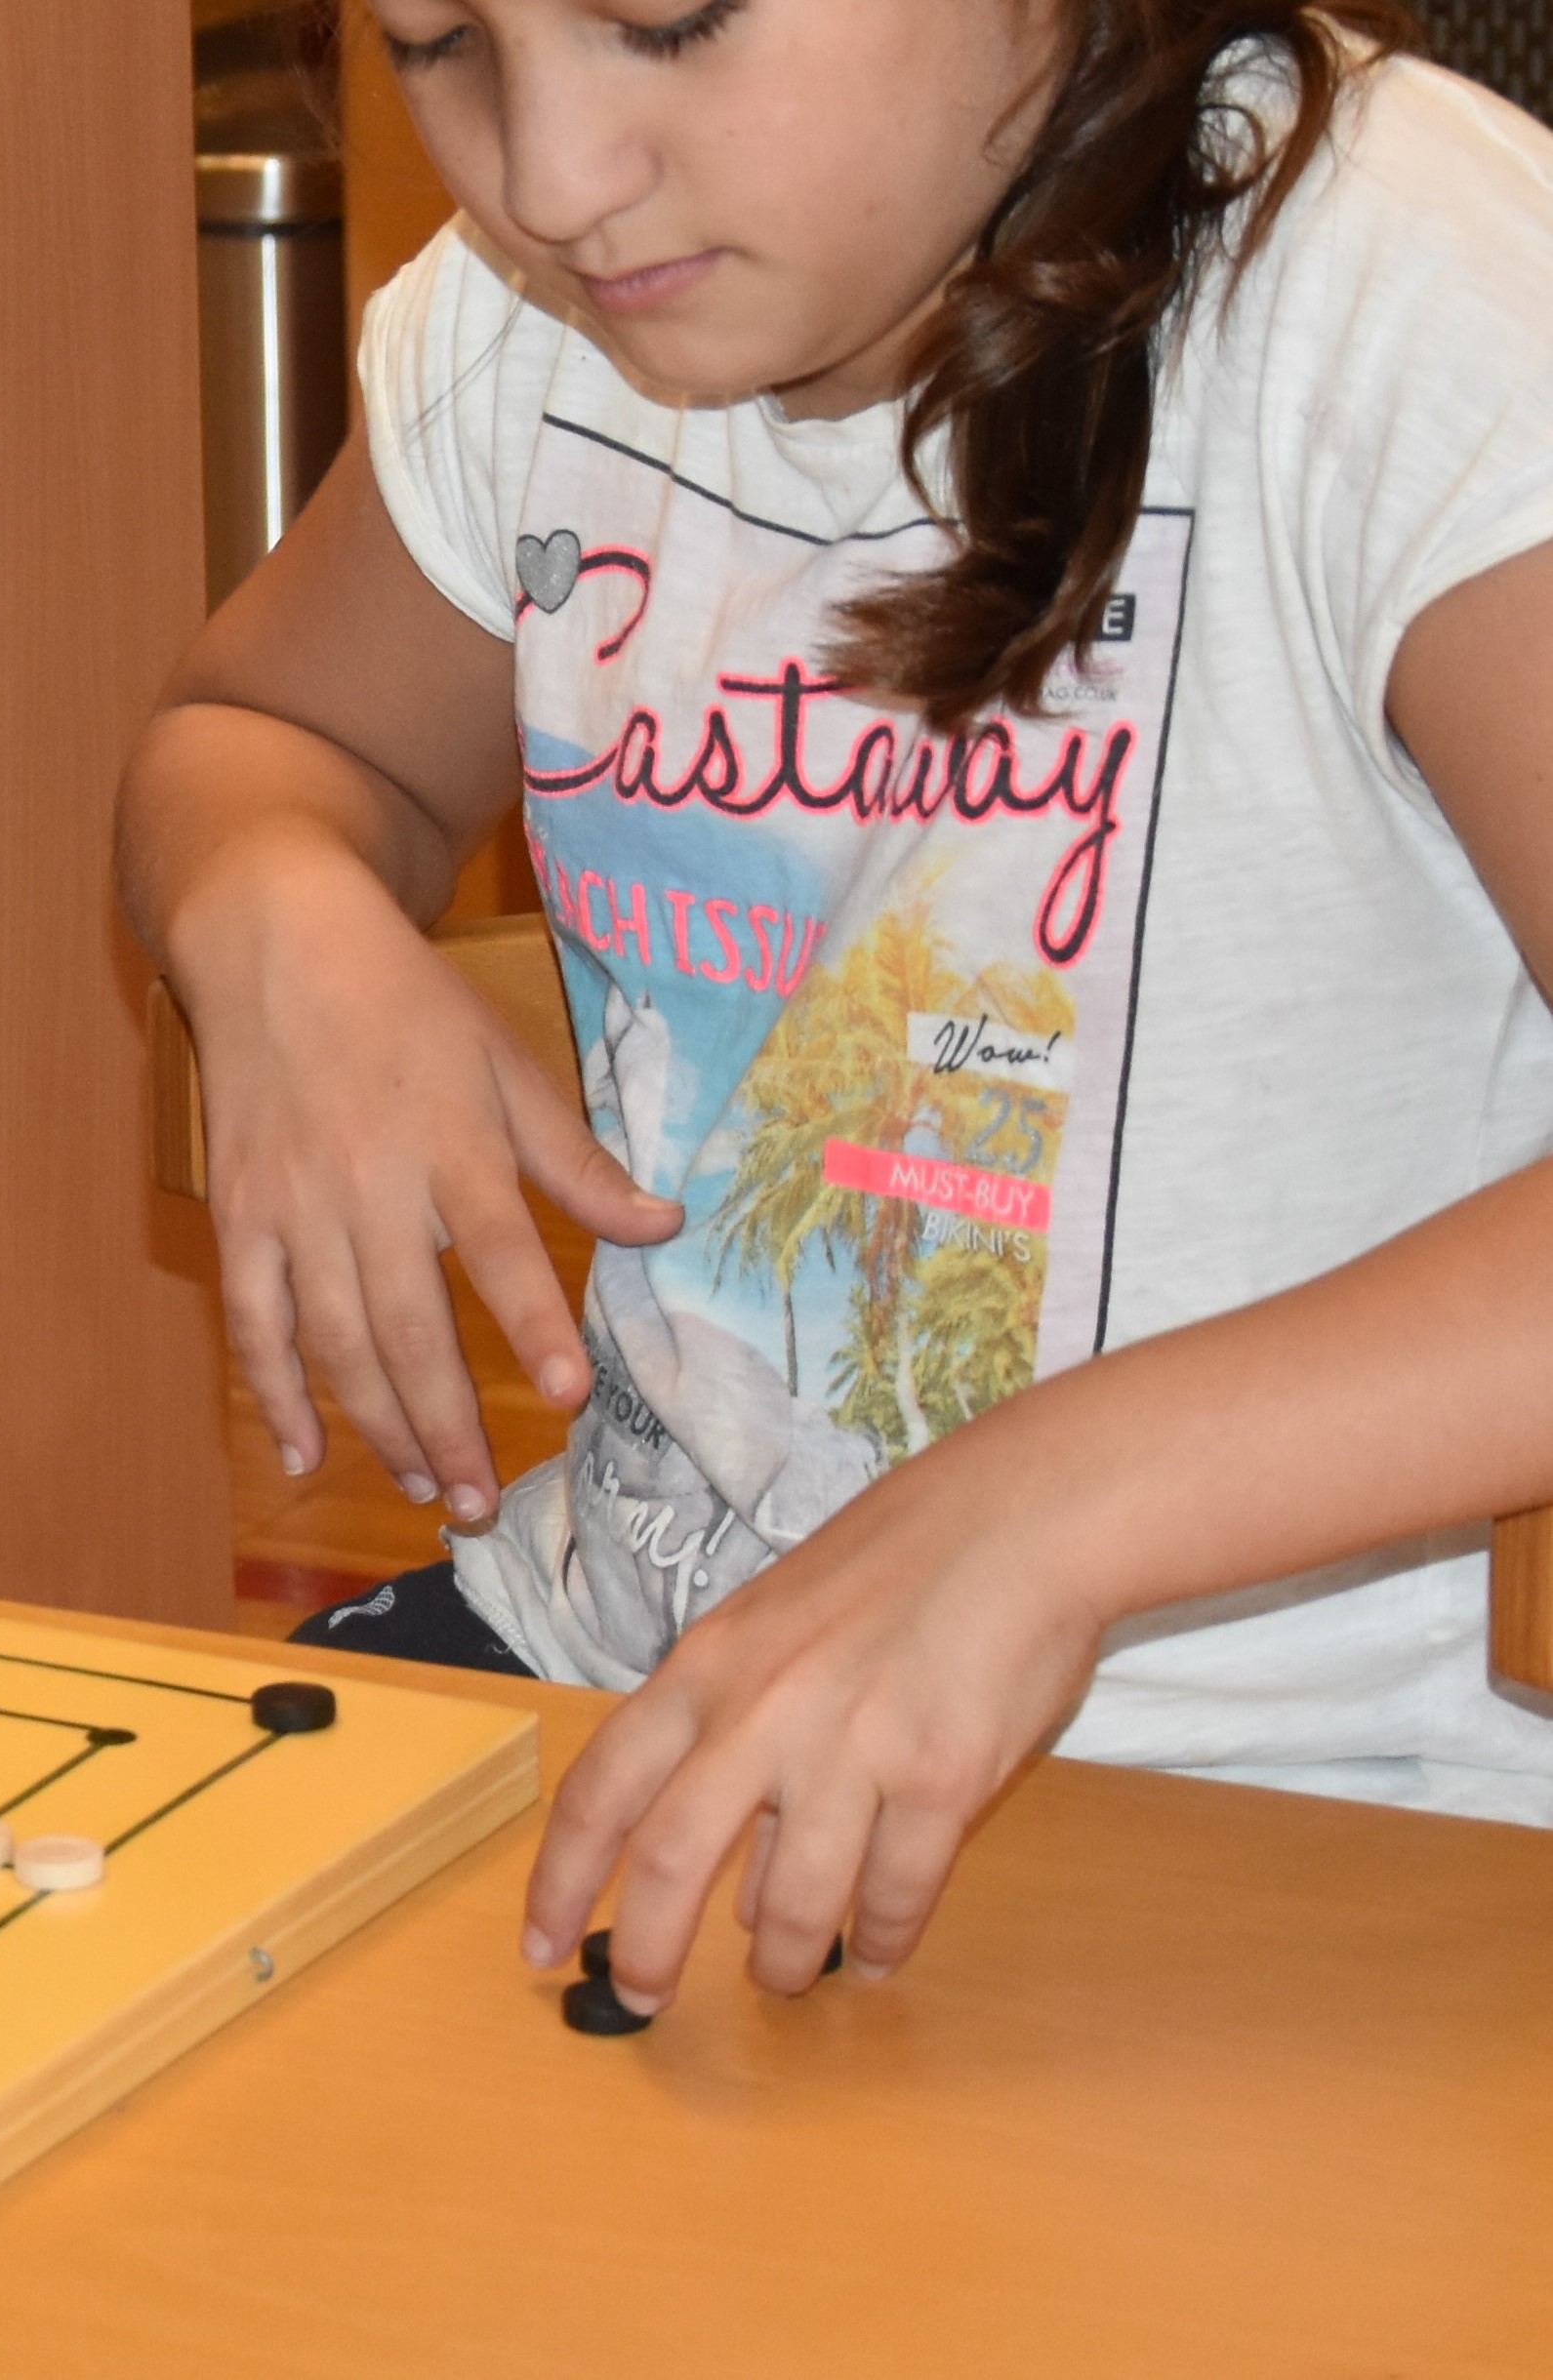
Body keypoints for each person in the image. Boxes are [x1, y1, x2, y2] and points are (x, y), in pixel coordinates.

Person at [119, 0, 1553, 2020]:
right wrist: (267, 896)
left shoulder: (1410, 297)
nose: (551, 179)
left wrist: (1045, 1512)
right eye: (439, 42)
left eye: (669, 22)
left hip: (1319, 1831)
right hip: (618, 1677)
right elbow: (266, 734)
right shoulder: (537, 326)